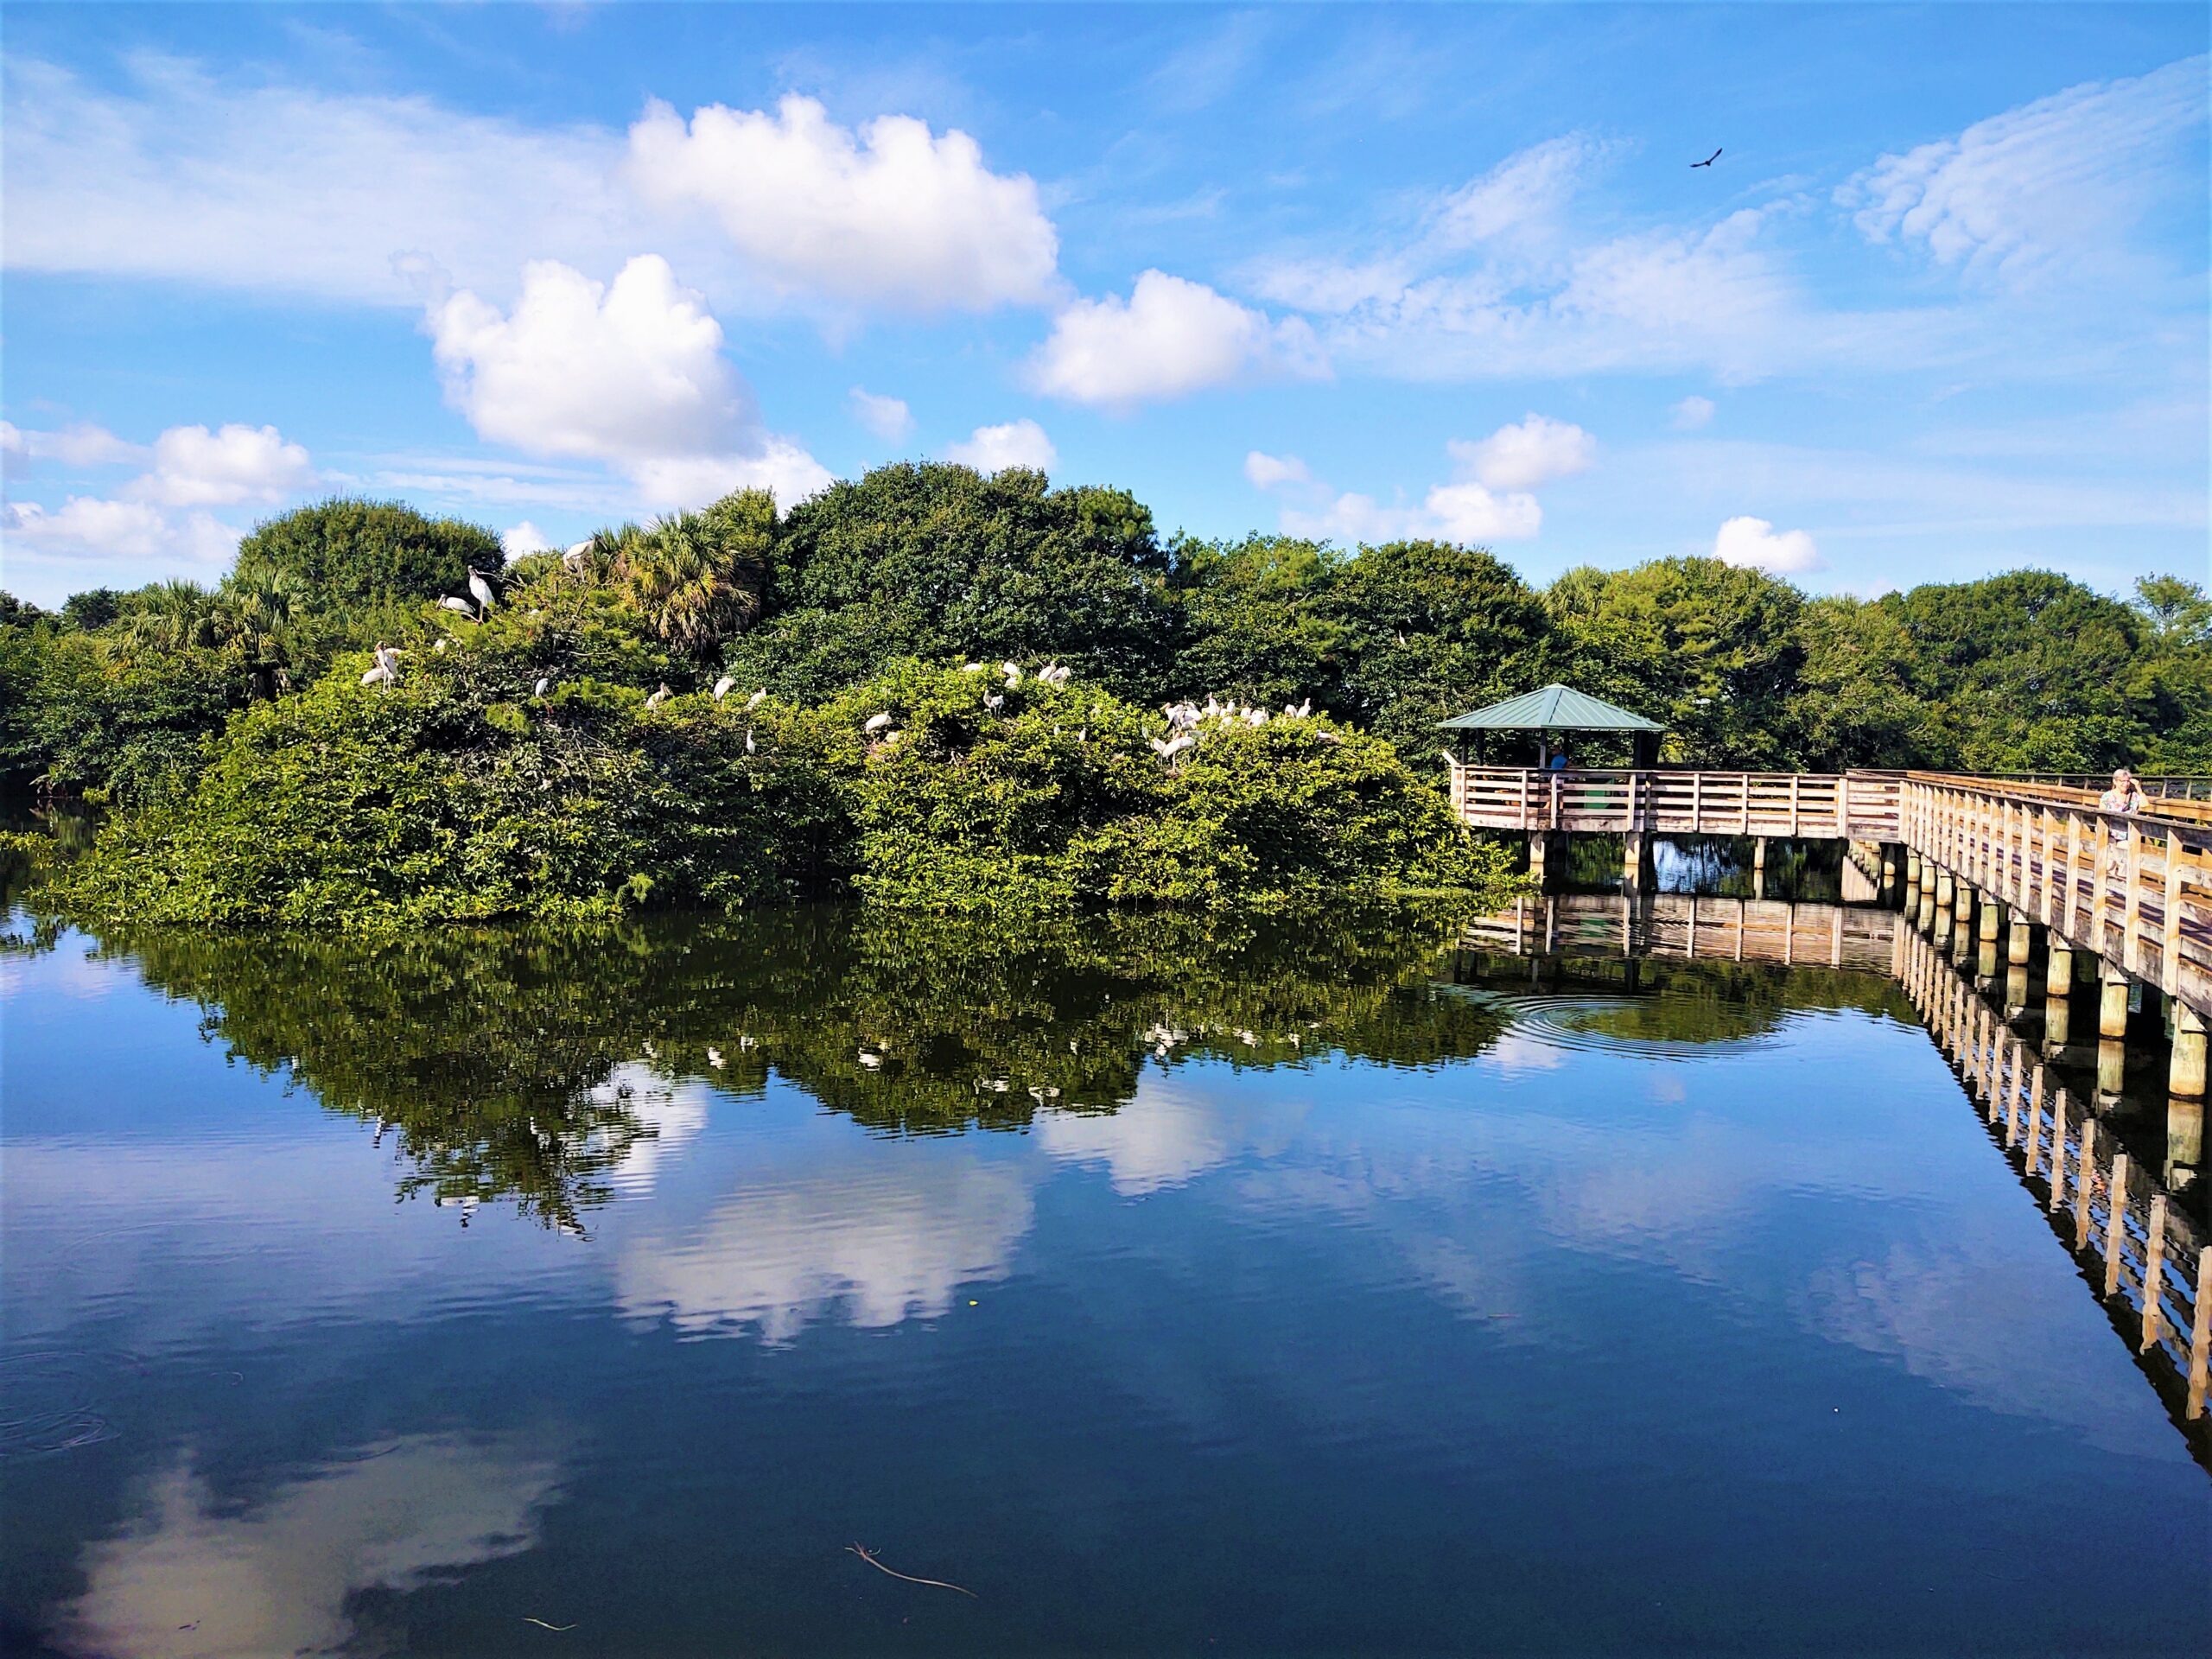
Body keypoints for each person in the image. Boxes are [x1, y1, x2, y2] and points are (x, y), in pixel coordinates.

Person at [2101, 767, 2146, 875]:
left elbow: (2145, 805)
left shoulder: (2134, 796)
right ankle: (2107, 888)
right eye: (2122, 781)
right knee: (2109, 862)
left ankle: (2120, 888)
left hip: (2126, 834)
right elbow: (2101, 814)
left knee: (2124, 862)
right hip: (2110, 833)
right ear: (2115, 781)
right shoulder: (2107, 796)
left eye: (2127, 781)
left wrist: (2138, 788)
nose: (2125, 784)